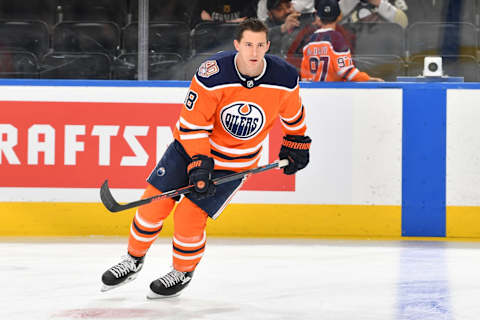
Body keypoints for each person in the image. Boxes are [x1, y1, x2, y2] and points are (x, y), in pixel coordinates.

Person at [101, 18, 312, 299]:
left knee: (189, 216)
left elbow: (293, 115)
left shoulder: (284, 78)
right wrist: (199, 161)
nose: (254, 51)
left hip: (235, 163)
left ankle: (182, 271)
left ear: (268, 46)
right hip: (189, 149)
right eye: (248, 44)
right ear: (237, 44)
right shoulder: (213, 74)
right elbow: (192, 124)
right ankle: (133, 259)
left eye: (260, 45)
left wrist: (296, 142)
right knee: (154, 203)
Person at [301, 0, 383, 81]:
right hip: (332, 91)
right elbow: (346, 71)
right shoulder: (336, 39)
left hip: (312, 91)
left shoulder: (309, 41)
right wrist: (368, 79)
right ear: (339, 16)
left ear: (318, 17)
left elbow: (304, 76)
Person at [339, 0, 408, 29]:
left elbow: (404, 23)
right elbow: (330, 23)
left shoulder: (395, 2)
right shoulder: (344, 3)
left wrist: (379, 3)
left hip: (387, 51)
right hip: (351, 53)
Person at [190, 0, 258, 28]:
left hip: (237, 44)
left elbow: (251, 23)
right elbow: (194, 25)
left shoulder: (247, 2)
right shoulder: (203, 2)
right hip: (210, 45)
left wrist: (211, 21)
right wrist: (233, 22)